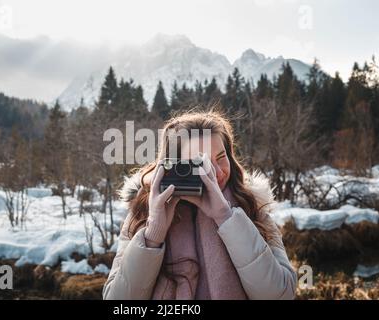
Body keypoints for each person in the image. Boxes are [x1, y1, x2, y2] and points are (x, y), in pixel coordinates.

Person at [103, 109, 297, 300]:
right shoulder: (142, 214)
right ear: (176, 166)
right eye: (200, 164)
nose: (217, 173)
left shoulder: (252, 206)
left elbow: (280, 294)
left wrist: (227, 218)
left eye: (221, 158)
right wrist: (153, 235)